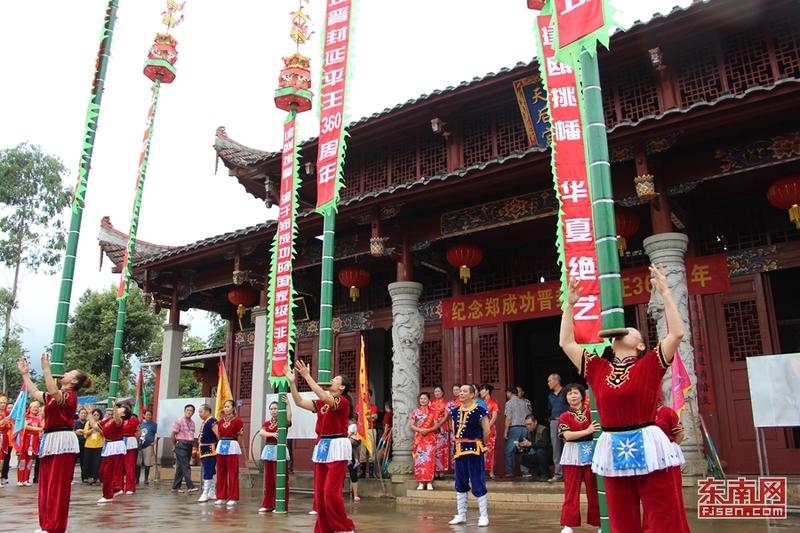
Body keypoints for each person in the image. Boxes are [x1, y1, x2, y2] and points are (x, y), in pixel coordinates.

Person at [559, 265, 685, 532]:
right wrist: (569, 306)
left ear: (641, 345)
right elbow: (566, 344)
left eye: (630, 329)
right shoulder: (597, 368)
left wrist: (665, 292)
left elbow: (676, 334)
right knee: (621, 518)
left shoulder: (650, 364)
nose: (624, 330)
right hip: (612, 445)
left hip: (648, 443)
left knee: (662, 515)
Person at [17, 354, 91, 533]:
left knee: (57, 485)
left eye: (69, 372)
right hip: (50, 440)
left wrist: (46, 369)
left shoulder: (70, 396)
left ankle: (55, 526)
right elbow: (36, 393)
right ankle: (46, 524)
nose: (65, 372)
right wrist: (25, 374)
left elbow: (55, 393)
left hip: (62, 440)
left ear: (73, 381)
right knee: (46, 483)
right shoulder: (52, 396)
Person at [287, 359, 355, 533]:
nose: (332, 380)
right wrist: (292, 383)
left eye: (335, 380)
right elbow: (299, 402)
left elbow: (325, 397)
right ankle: (325, 528)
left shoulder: (342, 401)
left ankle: (344, 526)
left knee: (331, 492)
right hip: (322, 444)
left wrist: (307, 376)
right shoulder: (322, 403)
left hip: (337, 445)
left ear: (342, 387)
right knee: (320, 493)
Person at [446, 384, 491, 527]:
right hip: (460, 449)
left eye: (465, 391)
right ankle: (461, 514)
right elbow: (453, 430)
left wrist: (479, 442)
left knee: (477, 480)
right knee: (460, 481)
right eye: (460, 391)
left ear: (472, 395)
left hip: (474, 449)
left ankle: (483, 515)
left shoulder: (479, 410)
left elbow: (487, 430)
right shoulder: (454, 411)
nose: (461, 393)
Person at [558, 383, 600, 533]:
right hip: (572, 454)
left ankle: (599, 524)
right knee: (571, 490)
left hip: (591, 453)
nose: (573, 396)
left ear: (582, 395)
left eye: (575, 393)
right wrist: (587, 431)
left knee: (594, 490)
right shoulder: (564, 416)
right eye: (569, 394)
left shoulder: (592, 413)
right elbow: (567, 435)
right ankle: (568, 524)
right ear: (566, 398)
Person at [651, 400, 690, 533]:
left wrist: (668, 449)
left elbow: (679, 434)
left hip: (667, 459)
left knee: (671, 495)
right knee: (652, 497)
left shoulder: (667, 412)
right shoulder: (641, 413)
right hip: (649, 459)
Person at [259, 398, 292, 512]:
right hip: (269, 450)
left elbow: (289, 418)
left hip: (280, 450)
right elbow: (261, 432)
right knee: (268, 479)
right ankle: (268, 504)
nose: (273, 411)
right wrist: (272, 434)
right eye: (271, 409)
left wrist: (288, 404)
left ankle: (281, 505)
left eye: (276, 408)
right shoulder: (267, 423)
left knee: (280, 478)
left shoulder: (283, 421)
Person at [91, 401, 128, 503]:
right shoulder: (108, 420)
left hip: (115, 446)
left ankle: (108, 495)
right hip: (108, 445)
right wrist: (90, 413)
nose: (118, 409)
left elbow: (116, 417)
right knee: (103, 471)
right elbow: (95, 427)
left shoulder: (119, 420)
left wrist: (115, 407)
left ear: (123, 414)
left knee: (108, 472)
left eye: (121, 409)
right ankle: (116, 489)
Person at [214, 399, 243, 506]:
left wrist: (238, 445)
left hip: (232, 445)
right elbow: (219, 434)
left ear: (233, 408)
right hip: (222, 444)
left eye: (228, 406)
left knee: (232, 472)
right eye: (225, 406)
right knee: (221, 472)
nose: (226, 408)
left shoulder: (237, 421)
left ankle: (233, 497)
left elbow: (240, 435)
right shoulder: (220, 421)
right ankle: (221, 496)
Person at [410, 392, 441, 491]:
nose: (423, 400)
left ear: (428, 400)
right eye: (421, 399)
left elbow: (436, 425)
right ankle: (420, 482)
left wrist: (428, 430)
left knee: (429, 460)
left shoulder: (433, 411)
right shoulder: (415, 412)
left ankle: (429, 482)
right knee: (419, 460)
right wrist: (420, 430)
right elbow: (411, 425)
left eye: (425, 398)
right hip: (419, 438)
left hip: (430, 438)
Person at [170, 404, 197, 493]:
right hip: (181, 444)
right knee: (186, 466)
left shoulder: (192, 423)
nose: (189, 412)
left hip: (189, 445)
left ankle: (175, 487)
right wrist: (175, 445)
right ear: (184, 411)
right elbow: (173, 434)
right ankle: (190, 486)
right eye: (187, 410)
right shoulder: (179, 421)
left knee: (180, 467)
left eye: (191, 411)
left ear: (193, 412)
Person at [503, 386, 529, 477]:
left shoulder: (509, 403)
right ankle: (525, 472)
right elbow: (528, 416)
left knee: (509, 451)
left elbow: (508, 418)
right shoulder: (524, 402)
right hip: (524, 428)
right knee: (523, 449)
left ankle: (510, 472)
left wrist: (505, 431)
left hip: (514, 428)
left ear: (510, 393)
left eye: (507, 393)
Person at [547, 373, 568, 482]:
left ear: (556, 381)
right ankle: (558, 473)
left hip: (566, 421)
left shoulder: (566, 392)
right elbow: (549, 409)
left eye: (549, 381)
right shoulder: (550, 396)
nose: (548, 383)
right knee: (556, 448)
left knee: (568, 445)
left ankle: (569, 472)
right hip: (554, 422)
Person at [16, 400, 43, 486]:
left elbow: (41, 428)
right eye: (34, 407)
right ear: (30, 408)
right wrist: (38, 429)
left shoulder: (38, 419)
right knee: (22, 461)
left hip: (34, 441)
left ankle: (26, 479)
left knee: (30, 461)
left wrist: (40, 432)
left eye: (37, 407)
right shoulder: (25, 417)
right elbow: (25, 426)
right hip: (25, 441)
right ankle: (20, 480)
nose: (35, 409)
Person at [518, 415, 551, 481]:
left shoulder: (544, 429)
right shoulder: (529, 432)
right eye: (526, 425)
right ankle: (537, 472)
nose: (528, 426)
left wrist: (531, 444)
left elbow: (545, 444)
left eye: (529, 424)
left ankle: (545, 474)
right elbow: (528, 446)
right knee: (522, 458)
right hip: (537, 455)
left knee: (540, 452)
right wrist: (521, 446)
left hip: (548, 455)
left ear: (535, 422)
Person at [196, 404, 217, 503]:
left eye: (201, 411)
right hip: (204, 449)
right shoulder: (205, 421)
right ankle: (211, 492)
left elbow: (218, 434)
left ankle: (205, 492)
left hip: (210, 449)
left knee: (208, 470)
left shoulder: (212, 421)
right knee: (209, 470)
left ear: (207, 411)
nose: (199, 414)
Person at [429, 386, 450, 479]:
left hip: (443, 428)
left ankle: (441, 471)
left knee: (442, 450)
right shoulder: (431, 403)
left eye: (438, 391)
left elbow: (446, 416)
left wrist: (439, 424)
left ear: (442, 393)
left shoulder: (446, 403)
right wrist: (434, 425)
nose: (437, 393)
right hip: (433, 429)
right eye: (435, 391)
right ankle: (434, 471)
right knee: (434, 450)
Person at [478, 384, 498, 479]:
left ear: (487, 391)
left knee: (490, 450)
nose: (480, 392)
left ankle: (491, 471)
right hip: (479, 430)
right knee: (480, 450)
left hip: (489, 430)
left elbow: (494, 418)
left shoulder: (493, 404)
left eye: (482, 390)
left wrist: (486, 427)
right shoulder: (479, 403)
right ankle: (480, 471)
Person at [121, 400, 140, 494]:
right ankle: (118, 487)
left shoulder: (133, 419)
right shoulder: (118, 418)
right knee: (119, 467)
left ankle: (130, 488)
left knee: (130, 466)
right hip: (119, 442)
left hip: (130, 442)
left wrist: (134, 438)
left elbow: (138, 431)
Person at [359, 389, 378, 478]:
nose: (366, 397)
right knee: (362, 451)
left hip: (371, 429)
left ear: (370, 396)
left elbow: (374, 417)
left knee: (371, 451)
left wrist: (365, 417)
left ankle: (371, 473)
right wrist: (368, 417)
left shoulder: (373, 407)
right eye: (365, 395)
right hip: (362, 430)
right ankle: (362, 472)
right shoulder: (359, 407)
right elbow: (359, 417)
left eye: (368, 395)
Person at [83, 409, 104, 485]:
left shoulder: (102, 423)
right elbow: (85, 433)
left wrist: (98, 429)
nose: (96, 416)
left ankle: (95, 477)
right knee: (87, 462)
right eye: (94, 415)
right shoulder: (88, 423)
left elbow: (104, 433)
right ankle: (87, 477)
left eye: (97, 415)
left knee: (97, 463)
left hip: (99, 445)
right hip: (89, 445)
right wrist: (93, 428)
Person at [137, 409, 157, 485]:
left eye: (149, 415)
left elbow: (157, 434)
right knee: (138, 463)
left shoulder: (154, 425)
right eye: (147, 414)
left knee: (147, 463)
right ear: (144, 415)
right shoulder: (140, 423)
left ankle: (146, 479)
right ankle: (137, 479)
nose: (148, 416)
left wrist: (154, 442)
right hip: (139, 445)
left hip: (148, 445)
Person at [346, 412, 361, 503]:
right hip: (345, 449)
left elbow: (350, 435)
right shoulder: (352, 426)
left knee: (353, 472)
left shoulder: (352, 426)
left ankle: (355, 494)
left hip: (350, 447)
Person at [446, 384, 461, 471]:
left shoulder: (465, 402)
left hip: (464, 428)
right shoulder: (450, 404)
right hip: (453, 429)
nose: (455, 391)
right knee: (453, 449)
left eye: (457, 389)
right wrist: (450, 427)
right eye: (454, 390)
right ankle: (455, 469)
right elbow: (448, 417)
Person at [74, 408, 88, 482]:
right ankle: (69, 478)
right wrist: (75, 432)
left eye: (85, 413)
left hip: (85, 444)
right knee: (72, 462)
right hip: (76, 444)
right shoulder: (75, 422)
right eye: (82, 413)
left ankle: (84, 477)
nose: (83, 414)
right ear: (79, 414)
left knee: (84, 462)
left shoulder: (88, 423)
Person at [0, 394, 11, 485]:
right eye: (1, 403)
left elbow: (9, 427)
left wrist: (7, 424)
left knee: (2, 459)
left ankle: (1, 477)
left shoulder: (7, 414)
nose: (3, 404)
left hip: (4, 438)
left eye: (4, 403)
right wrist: (2, 422)